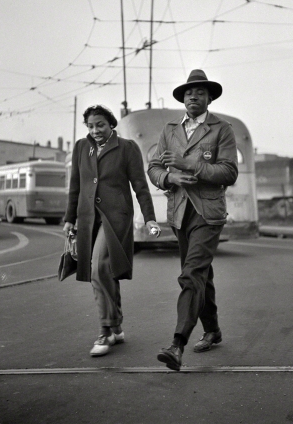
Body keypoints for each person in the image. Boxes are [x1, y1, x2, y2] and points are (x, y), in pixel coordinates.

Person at [148, 69, 238, 371]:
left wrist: (189, 164)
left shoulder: (221, 129)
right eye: (188, 93)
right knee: (201, 275)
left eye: (200, 92)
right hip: (179, 213)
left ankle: (177, 344)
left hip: (208, 213)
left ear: (209, 97)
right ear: (183, 98)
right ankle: (212, 330)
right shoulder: (170, 129)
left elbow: (229, 172)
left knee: (191, 276)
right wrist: (168, 177)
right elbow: (153, 167)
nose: (193, 96)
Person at [63, 105, 161, 357]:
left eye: (100, 125)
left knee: (98, 268)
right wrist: (69, 218)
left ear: (111, 125)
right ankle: (116, 327)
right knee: (105, 270)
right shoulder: (81, 148)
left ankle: (105, 330)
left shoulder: (127, 148)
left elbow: (140, 186)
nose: (95, 130)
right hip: (88, 219)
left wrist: (149, 218)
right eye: (91, 126)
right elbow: (75, 185)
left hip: (116, 218)